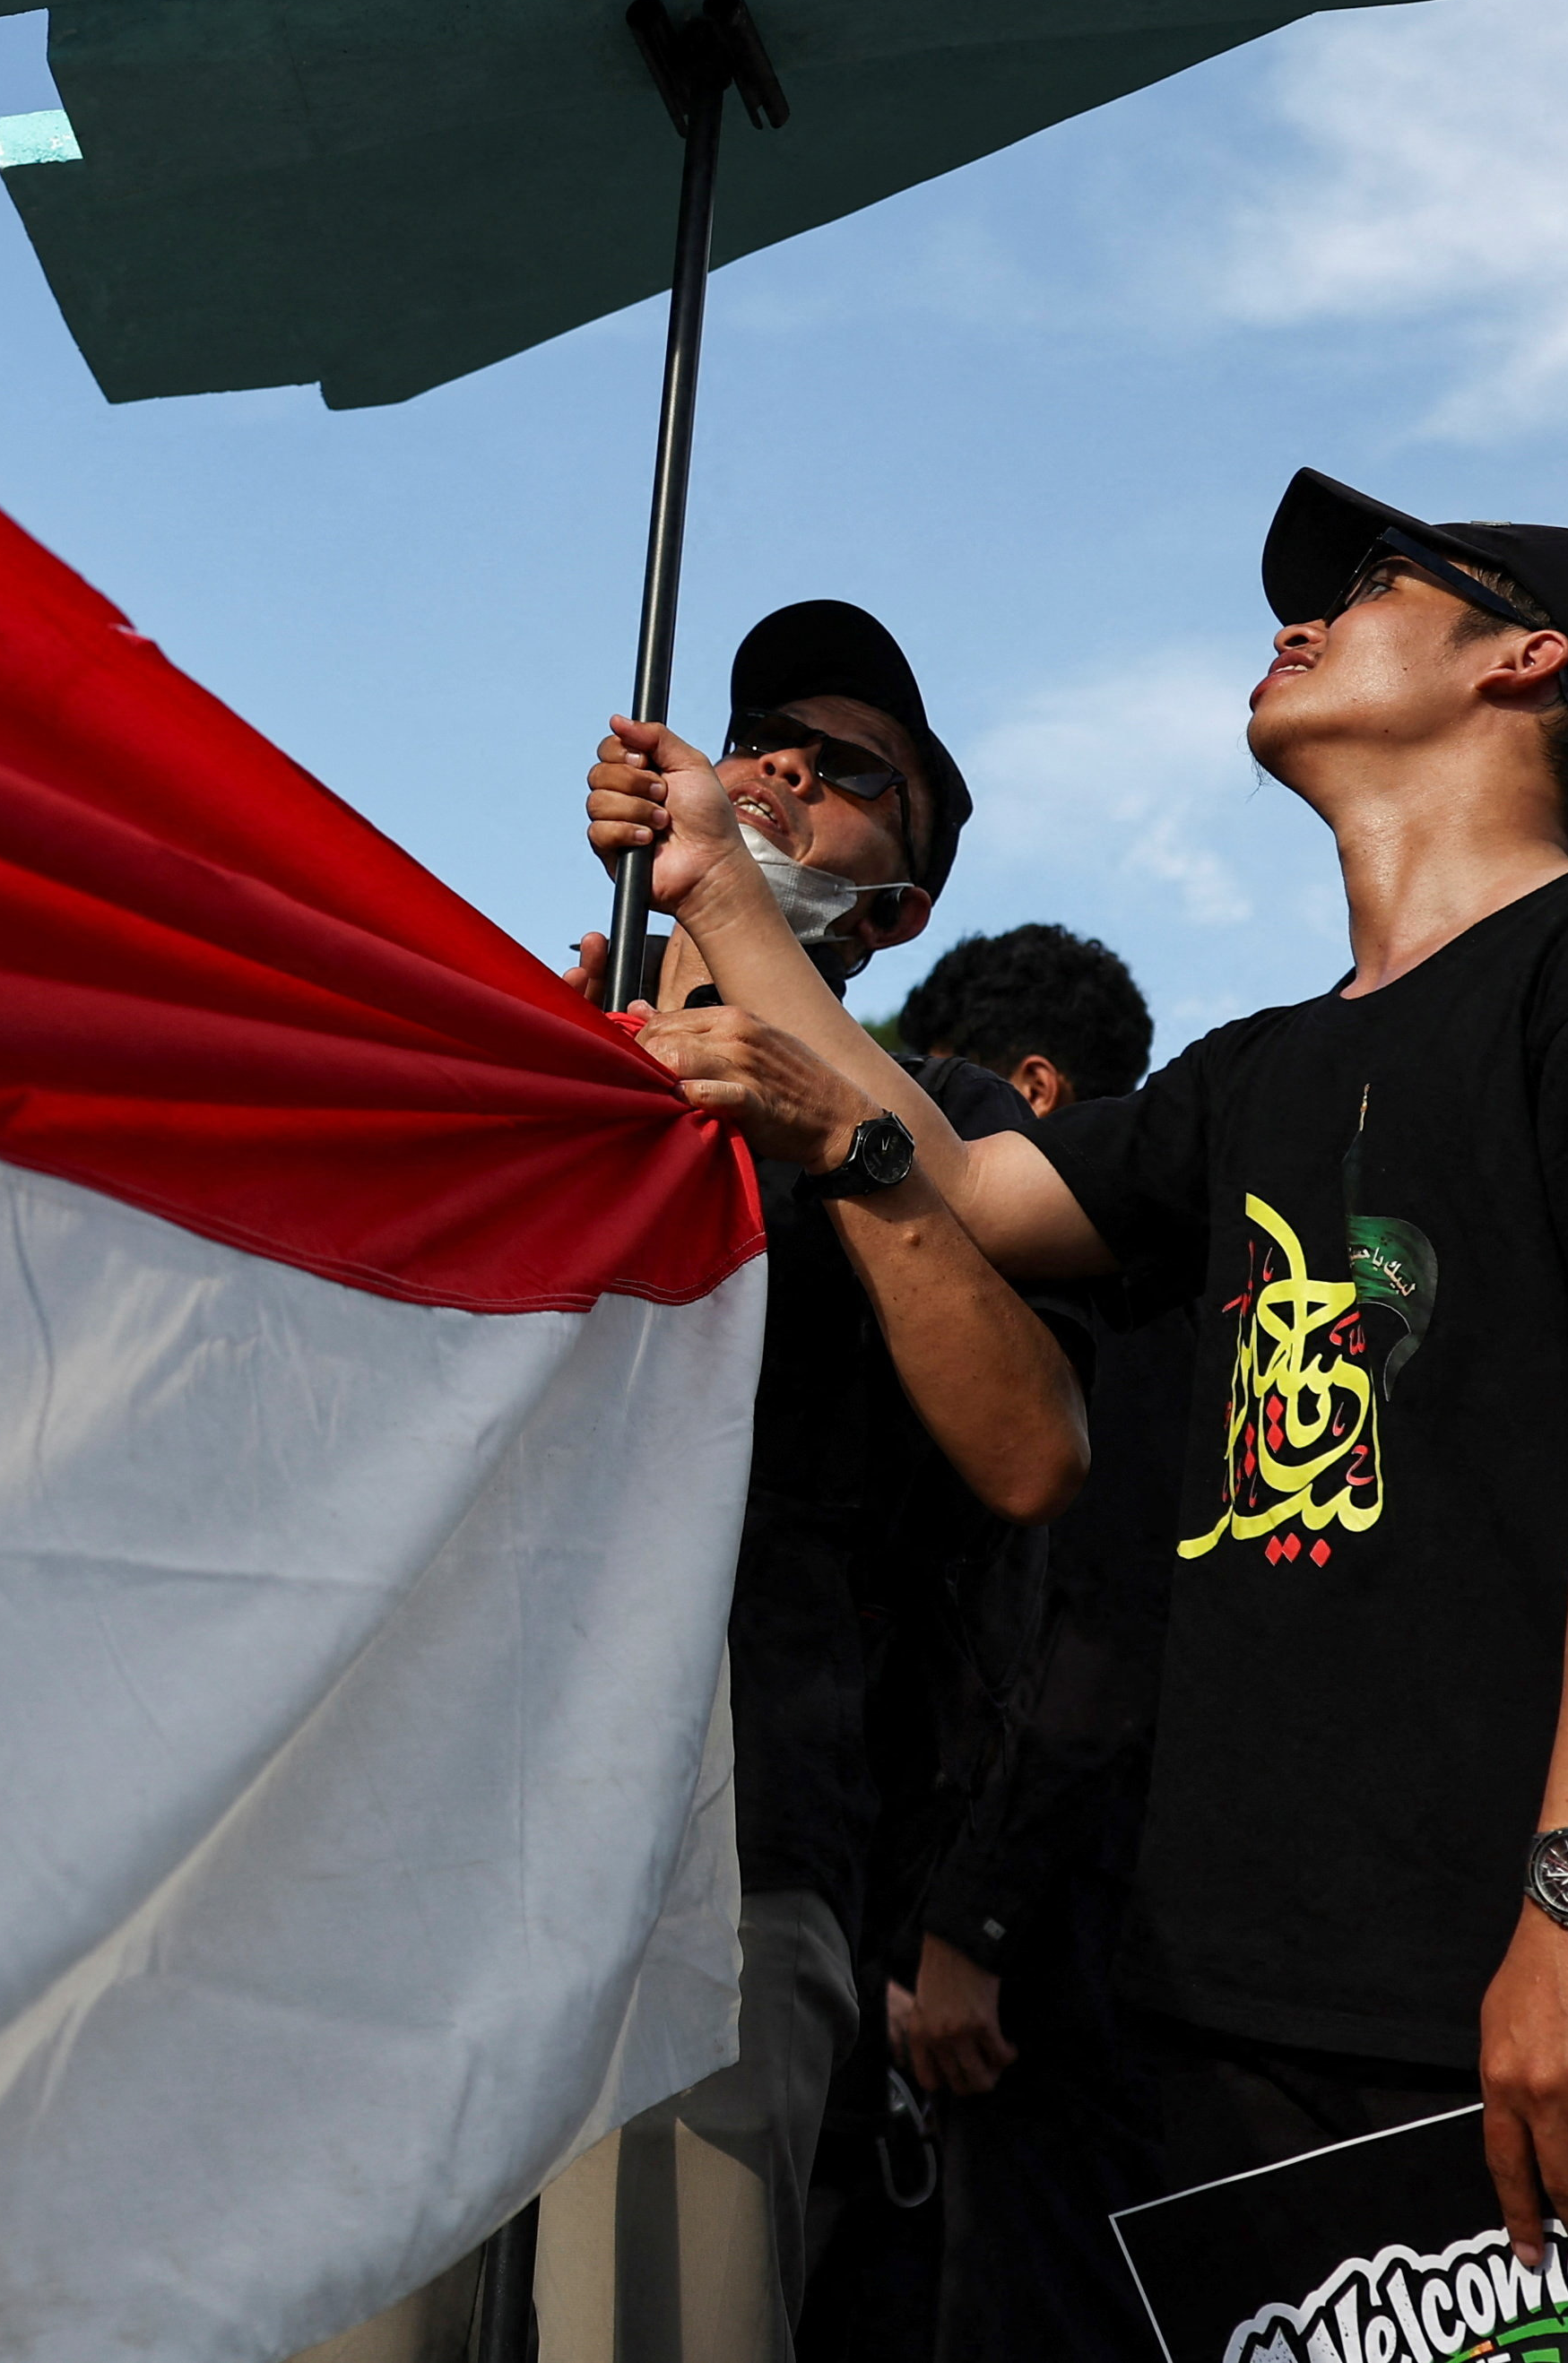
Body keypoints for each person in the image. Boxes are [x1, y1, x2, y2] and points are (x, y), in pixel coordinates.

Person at [589, 470, 1568, 2291]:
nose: (1298, 612)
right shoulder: (1243, 1076)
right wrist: (715, 888)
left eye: (1367, 582)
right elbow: (951, 1185)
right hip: (1245, 2006)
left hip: (1564, 1988)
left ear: (1525, 657)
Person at [577, 602, 1097, 2363]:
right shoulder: (519, 1035)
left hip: (724, 1864)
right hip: (408, 1831)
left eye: (851, 770)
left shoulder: (945, 1129)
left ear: (903, 903)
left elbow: (1031, 1456)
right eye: (760, 736)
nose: (786, 765)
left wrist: (847, 1156)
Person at [867, 926, 1168, 2363]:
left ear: (1027, 1098)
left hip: (1045, 1952)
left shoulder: (1118, 1306)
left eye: (937, 1107)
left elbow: (1093, 1619)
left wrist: (963, 1923)